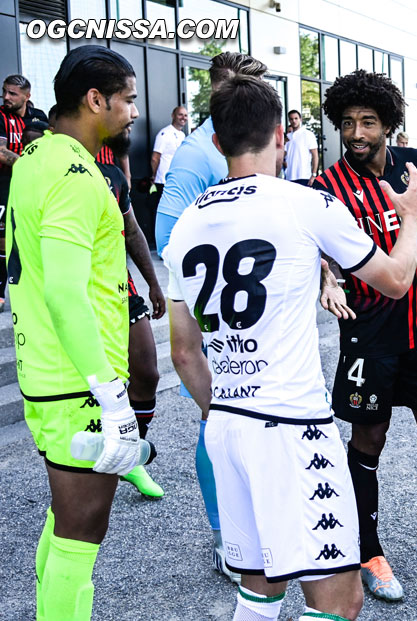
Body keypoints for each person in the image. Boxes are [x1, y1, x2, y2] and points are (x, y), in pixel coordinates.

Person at [165, 73, 417, 621]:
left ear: (217, 142)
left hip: (227, 427)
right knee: (340, 599)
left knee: (259, 591)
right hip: (292, 426)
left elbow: (185, 354)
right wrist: (411, 218)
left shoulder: (186, 225)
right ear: (280, 139)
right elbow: (398, 279)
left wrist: (225, 408)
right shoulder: (302, 202)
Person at [312, 69, 417, 601]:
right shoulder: (327, 188)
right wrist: (325, 278)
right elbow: (318, 252)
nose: (356, 133)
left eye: (368, 121)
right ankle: (368, 551)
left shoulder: (415, 168)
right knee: (370, 438)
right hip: (368, 335)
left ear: (389, 123)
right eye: (347, 123)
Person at [9, 45, 139, 621]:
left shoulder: (34, 156)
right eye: (128, 99)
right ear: (95, 99)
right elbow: (63, 291)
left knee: (65, 525)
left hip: (49, 373)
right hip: (75, 382)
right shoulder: (75, 173)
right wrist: (111, 393)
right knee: (82, 534)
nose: (134, 111)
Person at [153, 50, 267, 582]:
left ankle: (250, 520)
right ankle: (225, 536)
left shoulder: (249, 144)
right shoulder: (197, 154)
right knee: (213, 418)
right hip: (216, 309)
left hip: (255, 305)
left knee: (250, 420)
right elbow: (166, 234)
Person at [96, 136, 166, 499]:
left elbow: (133, 230)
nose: (134, 114)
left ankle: (131, 455)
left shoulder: (113, 172)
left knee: (147, 371)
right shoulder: (58, 165)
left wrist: (153, 283)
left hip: (121, 286)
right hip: (80, 292)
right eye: (126, 101)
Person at [0, 74, 33, 311]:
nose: (6, 97)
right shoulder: (0, 115)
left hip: (33, 186)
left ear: (26, 96)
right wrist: (32, 165)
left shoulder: (38, 117)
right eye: (5, 92)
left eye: (12, 93)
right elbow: (1, 152)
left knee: (29, 236)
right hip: (4, 184)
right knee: (2, 239)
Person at [150, 105, 188, 203]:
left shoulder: (182, 135)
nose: (183, 117)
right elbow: (155, 158)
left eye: (185, 115)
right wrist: (154, 176)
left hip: (176, 181)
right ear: (173, 116)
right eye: (180, 115)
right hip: (163, 182)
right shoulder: (164, 134)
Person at [283, 108, 319, 185]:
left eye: (296, 118)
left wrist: (313, 175)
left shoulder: (308, 134)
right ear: (289, 121)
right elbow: (283, 155)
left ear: (300, 119)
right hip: (289, 177)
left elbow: (315, 156)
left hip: (304, 176)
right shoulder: (288, 137)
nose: (294, 121)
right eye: (291, 119)